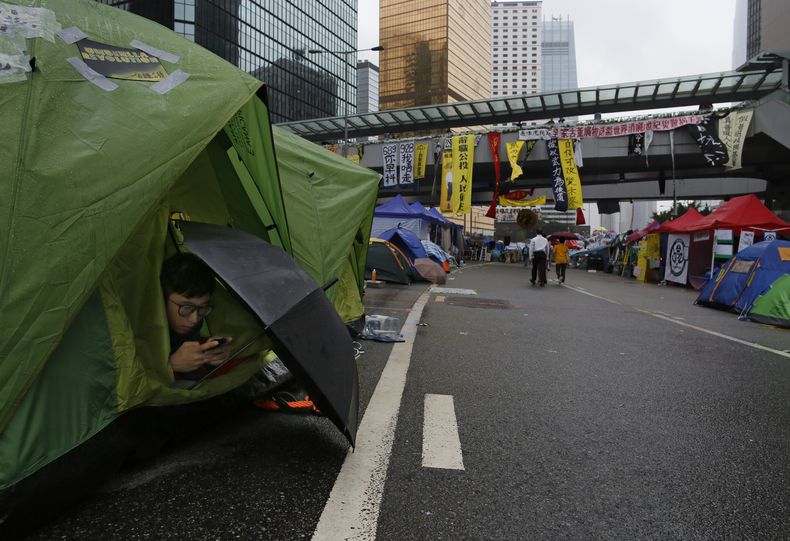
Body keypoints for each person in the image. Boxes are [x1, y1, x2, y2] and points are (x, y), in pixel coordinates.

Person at [161, 253, 232, 379]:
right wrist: (170, 365)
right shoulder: (143, 327)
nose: (194, 320)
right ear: (163, 298)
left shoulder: (192, 320)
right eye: (187, 307)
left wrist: (207, 356)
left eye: (202, 308)